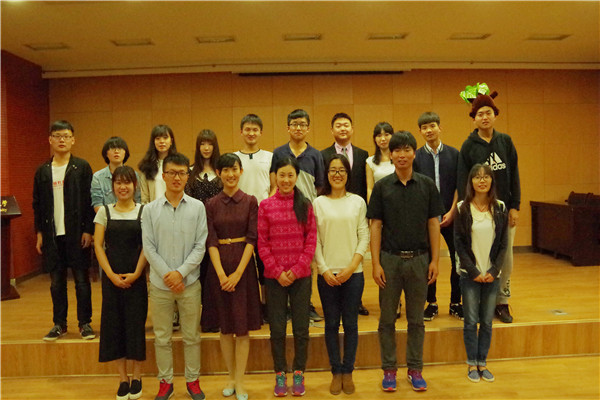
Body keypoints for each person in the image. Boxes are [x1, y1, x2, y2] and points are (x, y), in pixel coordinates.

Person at [367, 131, 444, 392]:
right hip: (389, 260)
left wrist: (435, 260)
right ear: (390, 155)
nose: (402, 155)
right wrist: (375, 263)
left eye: (407, 150)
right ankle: (389, 370)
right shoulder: (382, 187)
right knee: (387, 319)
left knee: (416, 320)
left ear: (414, 153)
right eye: (397, 150)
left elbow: (433, 224)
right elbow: (375, 226)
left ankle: (415, 369)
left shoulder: (427, 185)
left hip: (420, 260)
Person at [141, 153, 207, 400]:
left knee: (191, 337)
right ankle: (165, 382)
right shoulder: (150, 210)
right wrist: (168, 275)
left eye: (181, 173)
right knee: (162, 338)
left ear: (187, 176)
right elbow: (148, 247)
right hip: (160, 285)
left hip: (189, 283)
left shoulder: (198, 208)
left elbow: (200, 246)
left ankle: (193, 381)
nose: (177, 177)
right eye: (172, 173)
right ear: (164, 175)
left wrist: (180, 273)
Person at [457, 89, 520, 324]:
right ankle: (480, 299)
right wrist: (465, 210)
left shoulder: (505, 142)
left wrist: (514, 206)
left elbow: (514, 175)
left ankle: (502, 301)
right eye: (480, 114)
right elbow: (463, 180)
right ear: (474, 119)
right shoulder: (468, 146)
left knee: (505, 257)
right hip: (476, 211)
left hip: (503, 210)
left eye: (488, 113)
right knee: (478, 254)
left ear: (495, 115)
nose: (484, 117)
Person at [258, 157, 317, 397]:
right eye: (281, 175)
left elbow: (311, 240)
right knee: (277, 329)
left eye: (290, 175)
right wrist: (277, 272)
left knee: (301, 329)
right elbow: (262, 243)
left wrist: (297, 269)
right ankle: (280, 374)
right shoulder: (265, 206)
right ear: (275, 177)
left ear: (296, 177)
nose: (285, 180)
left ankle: (299, 373)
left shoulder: (305, 205)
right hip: (275, 279)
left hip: (300, 277)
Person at [206, 153, 262, 400]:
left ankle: (240, 381)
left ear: (241, 171)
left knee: (242, 328)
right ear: (219, 173)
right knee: (226, 327)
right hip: (218, 269)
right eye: (226, 170)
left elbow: (252, 238)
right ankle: (230, 377)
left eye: (234, 169)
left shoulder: (250, 201)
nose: (230, 174)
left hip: (243, 268)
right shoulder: (211, 204)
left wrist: (238, 273)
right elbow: (210, 240)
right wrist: (221, 274)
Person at [33, 120, 95, 341]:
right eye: (57, 136)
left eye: (66, 136)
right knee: (56, 283)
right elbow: (37, 204)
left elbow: (89, 201)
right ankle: (59, 324)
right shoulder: (42, 171)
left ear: (73, 140)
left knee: (81, 281)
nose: (62, 140)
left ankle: (85, 323)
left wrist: (88, 230)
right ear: (50, 140)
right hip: (52, 234)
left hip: (77, 233)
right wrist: (39, 233)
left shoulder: (82, 167)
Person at [313, 155, 369, 395]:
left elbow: (364, 235)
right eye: (333, 170)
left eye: (341, 170)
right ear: (327, 174)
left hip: (353, 274)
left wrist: (351, 266)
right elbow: (314, 239)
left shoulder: (357, 202)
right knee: (331, 324)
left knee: (351, 324)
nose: (337, 174)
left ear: (348, 174)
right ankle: (336, 370)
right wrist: (324, 269)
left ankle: (348, 370)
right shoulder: (318, 203)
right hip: (327, 275)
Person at [94, 166, 148, 400]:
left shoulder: (143, 211)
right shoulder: (104, 212)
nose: (122, 187)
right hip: (111, 279)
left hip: (137, 278)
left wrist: (137, 273)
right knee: (114, 326)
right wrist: (111, 275)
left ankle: (137, 377)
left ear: (134, 185)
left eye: (127, 182)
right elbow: (98, 245)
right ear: (112, 186)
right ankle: (123, 379)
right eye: (118, 182)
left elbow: (147, 246)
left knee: (135, 326)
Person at [454, 163, 508, 383]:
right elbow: (459, 243)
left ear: (492, 181)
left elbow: (503, 244)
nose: (482, 180)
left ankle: (482, 362)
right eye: (477, 177)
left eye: (486, 176)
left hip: (492, 275)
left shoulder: (500, 207)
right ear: (471, 182)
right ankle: (471, 363)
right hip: (470, 275)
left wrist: (494, 270)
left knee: (486, 321)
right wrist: (474, 270)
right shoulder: (462, 208)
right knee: (470, 321)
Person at [270, 109, 324, 323]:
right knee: (283, 256)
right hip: (282, 213)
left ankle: (305, 304)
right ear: (288, 127)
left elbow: (319, 186)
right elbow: (273, 182)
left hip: (305, 213)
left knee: (306, 259)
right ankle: (285, 306)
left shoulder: (316, 155)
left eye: (302, 124)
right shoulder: (279, 153)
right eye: (294, 124)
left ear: (308, 128)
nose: (298, 128)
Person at [414, 112, 463, 321]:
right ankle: (431, 303)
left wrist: (452, 212)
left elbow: (460, 186)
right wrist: (428, 217)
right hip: (427, 220)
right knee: (428, 261)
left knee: (457, 259)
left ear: (440, 127)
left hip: (452, 216)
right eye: (424, 127)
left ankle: (455, 302)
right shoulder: (416, 157)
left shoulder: (455, 154)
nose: (429, 130)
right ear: (420, 131)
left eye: (432, 126)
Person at [320, 113, 370, 317]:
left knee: (356, 254)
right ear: (332, 130)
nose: (343, 128)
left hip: (354, 211)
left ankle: (356, 301)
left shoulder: (363, 154)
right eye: (338, 125)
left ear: (352, 129)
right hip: (331, 208)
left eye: (346, 125)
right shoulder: (323, 155)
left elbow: (365, 184)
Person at [234, 114, 273, 322]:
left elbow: (274, 186)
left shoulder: (270, 157)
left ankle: (267, 304)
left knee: (265, 263)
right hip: (240, 219)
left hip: (265, 218)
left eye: (255, 129)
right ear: (241, 132)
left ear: (261, 132)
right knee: (244, 264)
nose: (251, 133)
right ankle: (249, 305)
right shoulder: (233, 158)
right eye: (247, 129)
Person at [185, 129, 223, 333]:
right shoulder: (190, 172)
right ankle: (195, 317)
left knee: (214, 275)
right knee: (197, 274)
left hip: (218, 231)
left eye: (210, 144)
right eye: (202, 144)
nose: (206, 148)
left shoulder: (221, 171)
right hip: (195, 232)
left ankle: (215, 317)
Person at [91, 136, 141, 212]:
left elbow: (138, 200)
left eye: (120, 148)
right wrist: (113, 216)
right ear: (106, 153)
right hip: (107, 217)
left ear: (125, 153)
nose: (116, 151)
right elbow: (97, 204)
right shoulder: (98, 177)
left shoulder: (134, 175)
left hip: (131, 216)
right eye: (112, 148)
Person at [138, 124, 177, 204]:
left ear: (171, 141)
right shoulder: (146, 166)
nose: (161, 141)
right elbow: (144, 198)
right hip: (154, 209)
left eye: (165, 138)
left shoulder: (178, 164)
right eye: (158, 138)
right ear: (153, 142)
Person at [366, 122, 395, 203]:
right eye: (379, 136)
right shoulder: (370, 161)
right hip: (379, 202)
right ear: (375, 139)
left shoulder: (399, 159)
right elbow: (370, 188)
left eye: (386, 135)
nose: (383, 139)